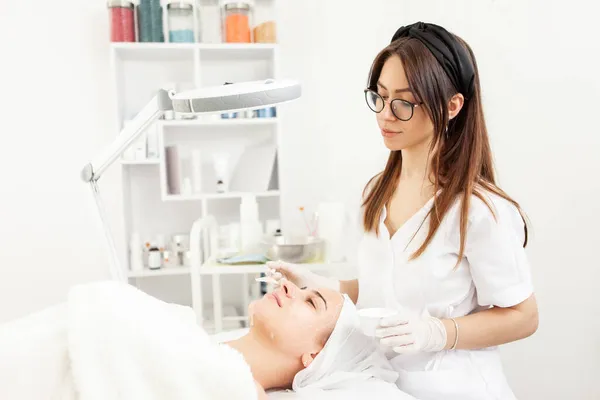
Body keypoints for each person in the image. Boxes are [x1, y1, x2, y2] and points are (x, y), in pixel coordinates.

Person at [266, 21, 539, 400]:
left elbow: (524, 317)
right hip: (386, 387)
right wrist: (320, 284)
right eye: (379, 96)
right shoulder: (377, 192)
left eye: (404, 102)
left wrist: (439, 332)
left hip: (461, 389)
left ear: (452, 105)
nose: (385, 115)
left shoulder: (479, 209)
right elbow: (384, 291)